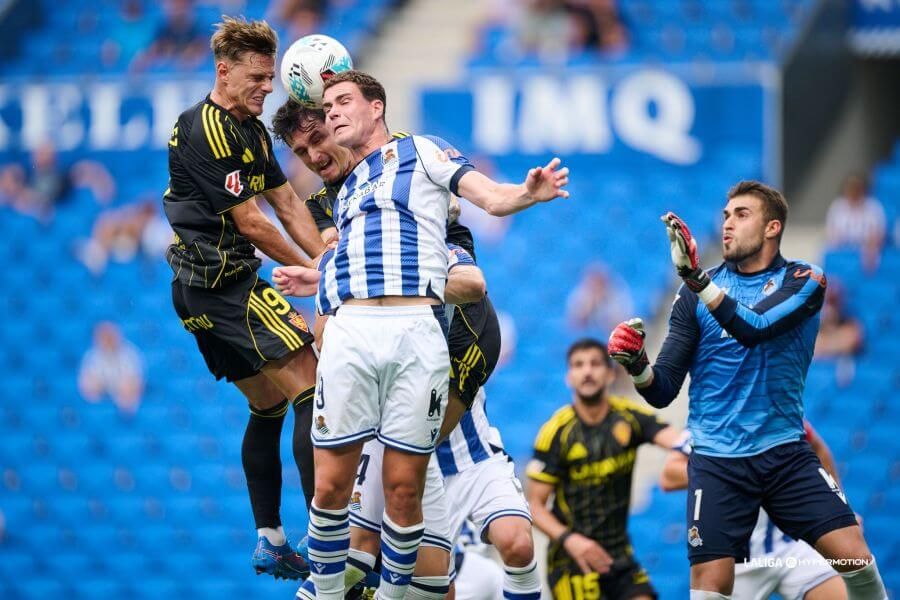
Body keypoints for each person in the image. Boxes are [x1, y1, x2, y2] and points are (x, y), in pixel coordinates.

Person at [274, 70, 566, 600]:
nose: (333, 115)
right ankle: (323, 591)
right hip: (355, 331)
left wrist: (527, 193)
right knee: (331, 489)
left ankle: (386, 593)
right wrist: (321, 277)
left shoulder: (422, 153)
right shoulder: (338, 195)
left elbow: (491, 203)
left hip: (417, 335)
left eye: (343, 103)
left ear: (378, 107)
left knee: (404, 491)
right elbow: (358, 252)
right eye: (326, 108)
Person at [607, 180, 887, 599]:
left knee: (856, 559)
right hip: (717, 461)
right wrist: (637, 365)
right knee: (710, 589)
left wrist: (699, 280)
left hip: (784, 453)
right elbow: (663, 390)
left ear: (772, 227)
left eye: (741, 214)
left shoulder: (805, 280)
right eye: (724, 216)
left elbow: (756, 328)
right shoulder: (692, 295)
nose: (728, 224)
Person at [162, 16, 326, 581]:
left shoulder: (250, 127)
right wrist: (321, 274)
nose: (266, 87)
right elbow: (253, 224)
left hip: (207, 289)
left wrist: (326, 263)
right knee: (313, 386)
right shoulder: (204, 127)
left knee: (269, 404)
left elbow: (286, 201)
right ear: (223, 70)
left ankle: (271, 540)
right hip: (222, 284)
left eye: (270, 78)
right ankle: (328, 543)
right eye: (256, 77)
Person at [526, 338, 679, 600]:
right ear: (569, 377)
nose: (587, 371)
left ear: (610, 374)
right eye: (578, 365)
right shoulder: (556, 432)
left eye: (595, 364)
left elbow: (680, 441)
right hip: (571, 560)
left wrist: (685, 456)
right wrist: (572, 541)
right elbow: (535, 506)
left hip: (620, 555)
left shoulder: (629, 416)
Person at [660, 422, 849, 600]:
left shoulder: (779, 410)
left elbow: (818, 448)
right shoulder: (711, 419)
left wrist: (840, 502)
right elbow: (668, 476)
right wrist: (724, 473)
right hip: (735, 560)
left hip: (791, 546)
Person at [78, 321, 144, 414]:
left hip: (126, 406)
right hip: (98, 407)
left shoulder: (129, 354)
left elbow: (132, 387)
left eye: (109, 336)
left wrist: (104, 387)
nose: (107, 340)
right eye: (104, 337)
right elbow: (88, 388)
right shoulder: (91, 356)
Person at [825, 175, 886, 272]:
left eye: (856, 188)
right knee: (827, 254)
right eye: (850, 188)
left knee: (870, 259)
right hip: (842, 248)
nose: (853, 192)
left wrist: (868, 249)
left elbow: (877, 235)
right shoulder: (837, 206)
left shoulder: (874, 206)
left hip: (866, 249)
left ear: (862, 189)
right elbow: (832, 234)